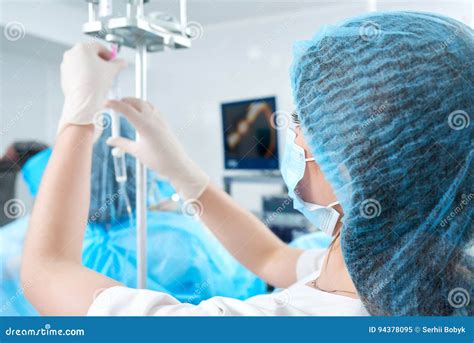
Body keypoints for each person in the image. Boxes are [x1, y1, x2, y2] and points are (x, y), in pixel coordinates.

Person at [21, 11, 473, 316]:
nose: (288, 134)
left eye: (300, 120)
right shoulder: (415, 269)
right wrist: (184, 175)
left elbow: (47, 271)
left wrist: (78, 115)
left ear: (353, 167)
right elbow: (271, 256)